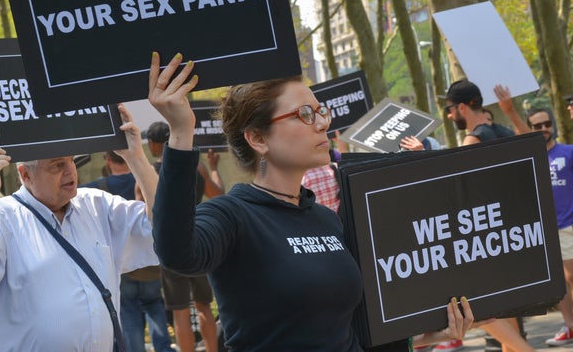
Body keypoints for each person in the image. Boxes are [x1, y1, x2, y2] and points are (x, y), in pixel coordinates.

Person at [148, 52, 473, 352]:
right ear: (258, 138)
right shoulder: (233, 216)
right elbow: (178, 253)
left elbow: (347, 332)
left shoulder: (325, 217)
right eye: (304, 114)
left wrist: (424, 336)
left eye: (320, 111)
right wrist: (180, 132)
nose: (322, 123)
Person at [0, 104, 160, 352]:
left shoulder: (97, 205)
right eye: (57, 165)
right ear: (25, 175)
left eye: (71, 160)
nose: (70, 171)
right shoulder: (0, 217)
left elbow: (163, 230)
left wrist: (137, 158)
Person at [441, 80, 535, 352]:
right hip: (515, 234)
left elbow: (457, 191)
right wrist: (511, 111)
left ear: (461, 106)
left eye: (449, 108)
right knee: (506, 310)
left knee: (478, 309)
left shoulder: (473, 139)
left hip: (486, 237)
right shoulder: (504, 130)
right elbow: (534, 148)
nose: (449, 115)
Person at [147, 121, 221, 352]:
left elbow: (146, 215)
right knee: (204, 306)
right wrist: (214, 168)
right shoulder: (197, 166)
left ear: (153, 144)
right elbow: (218, 194)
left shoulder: (149, 174)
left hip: (170, 243)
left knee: (180, 312)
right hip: (198, 236)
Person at [90, 150, 175, 352]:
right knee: (155, 306)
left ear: (108, 160)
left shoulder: (98, 189)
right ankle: (163, 348)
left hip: (123, 266)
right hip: (151, 262)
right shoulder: (144, 180)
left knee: (128, 313)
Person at [524, 108, 573, 346]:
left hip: (569, 225)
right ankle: (570, 326)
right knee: (558, 283)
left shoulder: (569, 152)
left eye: (546, 123)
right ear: (530, 129)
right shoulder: (530, 159)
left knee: (570, 275)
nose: (543, 129)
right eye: (537, 126)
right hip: (544, 230)